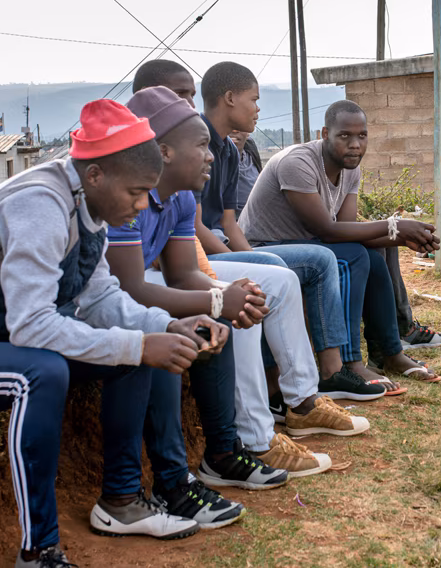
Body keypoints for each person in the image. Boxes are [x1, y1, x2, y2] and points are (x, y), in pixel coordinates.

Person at [0, 99, 233, 567]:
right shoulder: (38, 204)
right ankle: (38, 549)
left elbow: (101, 297)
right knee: (41, 372)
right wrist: (140, 343)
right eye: (136, 192)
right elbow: (31, 325)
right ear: (96, 175)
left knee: (130, 349)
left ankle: (121, 501)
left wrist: (165, 326)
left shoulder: (93, 207)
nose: (143, 204)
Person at [115, 86, 370, 474]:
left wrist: (227, 293)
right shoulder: (125, 193)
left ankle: (302, 402)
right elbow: (130, 285)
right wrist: (219, 300)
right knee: (241, 300)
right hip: (116, 288)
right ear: (163, 151)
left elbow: (184, 272)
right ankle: (256, 438)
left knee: (273, 283)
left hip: (153, 275)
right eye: (201, 146)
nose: (210, 156)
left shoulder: (182, 195)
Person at [133, 59, 387, 401]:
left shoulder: (224, 151)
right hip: (194, 254)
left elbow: (227, 222)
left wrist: (251, 260)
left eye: (190, 96)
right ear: (230, 98)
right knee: (307, 264)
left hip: (212, 248)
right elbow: (191, 232)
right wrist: (249, 264)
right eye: (253, 99)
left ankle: (325, 376)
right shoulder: (184, 149)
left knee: (292, 266)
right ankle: (306, 375)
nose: (257, 108)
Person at [240, 100, 441, 387]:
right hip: (264, 249)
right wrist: (394, 225)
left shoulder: (350, 169)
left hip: (306, 244)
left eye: (362, 136)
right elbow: (327, 231)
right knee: (354, 257)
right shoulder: (297, 163)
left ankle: (388, 351)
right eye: (344, 136)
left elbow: (349, 230)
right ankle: (349, 362)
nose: (355, 144)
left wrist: (402, 237)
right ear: (325, 133)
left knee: (372, 252)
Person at [229, 129, 262, 216]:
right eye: (229, 123)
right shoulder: (212, 161)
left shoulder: (251, 152)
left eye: (239, 125)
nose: (234, 130)